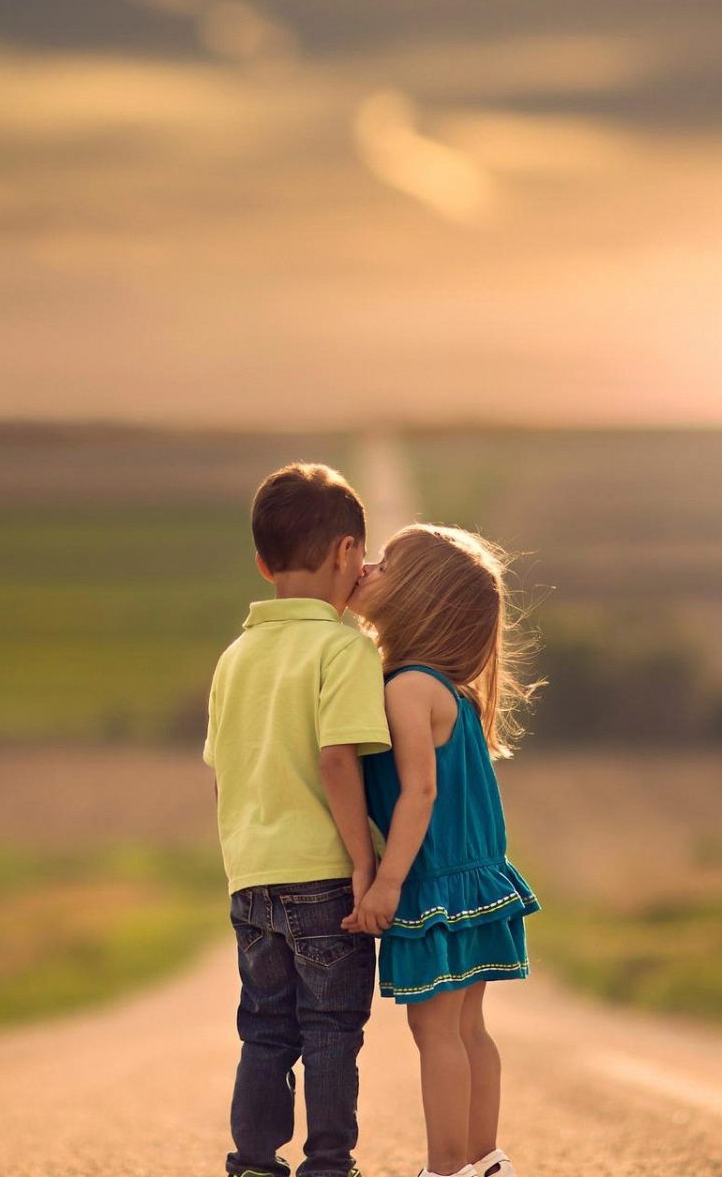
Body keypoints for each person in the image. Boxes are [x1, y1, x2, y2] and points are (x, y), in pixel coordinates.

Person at [203, 462, 390, 1177]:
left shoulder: (235, 655)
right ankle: (328, 1164)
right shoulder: (343, 648)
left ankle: (253, 1161)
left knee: (266, 1031)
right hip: (321, 876)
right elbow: (338, 759)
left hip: (251, 876)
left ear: (261, 562)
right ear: (348, 553)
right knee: (333, 1028)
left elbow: (226, 768)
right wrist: (362, 862)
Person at [343, 524, 540, 1177]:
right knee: (469, 1028)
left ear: (420, 600)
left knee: (436, 1033)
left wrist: (388, 882)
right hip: (481, 879)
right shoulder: (456, 692)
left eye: (387, 563)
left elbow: (420, 793)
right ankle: (485, 1160)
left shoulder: (405, 688)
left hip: (434, 883)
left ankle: (445, 1168)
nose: (368, 566)